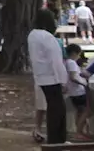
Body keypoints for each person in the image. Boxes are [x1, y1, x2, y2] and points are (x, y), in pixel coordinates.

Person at [29, 8, 69, 144]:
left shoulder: (32, 35)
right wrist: (63, 80)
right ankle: (57, 139)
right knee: (58, 110)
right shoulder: (47, 37)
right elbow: (56, 61)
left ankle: (56, 139)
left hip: (41, 76)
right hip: (52, 77)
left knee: (53, 108)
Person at [65, 44, 91, 138]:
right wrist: (83, 83)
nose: (79, 57)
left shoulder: (67, 62)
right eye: (78, 54)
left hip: (73, 92)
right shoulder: (71, 62)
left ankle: (80, 131)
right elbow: (73, 77)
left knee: (80, 111)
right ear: (74, 53)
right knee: (86, 111)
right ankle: (79, 131)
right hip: (78, 92)